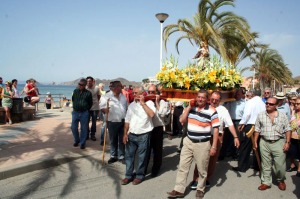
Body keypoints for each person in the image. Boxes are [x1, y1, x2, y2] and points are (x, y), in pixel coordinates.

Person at [167, 90, 219, 199]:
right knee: (183, 166)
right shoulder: (191, 108)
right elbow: (181, 120)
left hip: (203, 144)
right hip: (188, 141)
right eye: (198, 97)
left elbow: (215, 130)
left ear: (207, 99)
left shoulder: (212, 111)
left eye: (203, 98)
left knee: (202, 169)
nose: (200, 99)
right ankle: (179, 190)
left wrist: (214, 146)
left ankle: (200, 189)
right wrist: (189, 108)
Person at [190, 91, 240, 189]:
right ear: (209, 98)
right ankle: (196, 179)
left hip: (217, 137)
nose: (214, 101)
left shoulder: (223, 110)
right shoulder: (204, 107)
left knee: (212, 159)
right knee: (201, 159)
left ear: (220, 101)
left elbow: (230, 124)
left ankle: (206, 178)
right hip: (204, 136)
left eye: (216, 100)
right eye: (212, 99)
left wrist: (235, 137)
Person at [254, 97, 291, 191]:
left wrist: (287, 142)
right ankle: (266, 182)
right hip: (264, 142)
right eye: (267, 103)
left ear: (276, 105)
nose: (268, 105)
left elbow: (288, 129)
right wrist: (255, 141)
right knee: (265, 164)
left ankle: (281, 180)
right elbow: (257, 129)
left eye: (271, 104)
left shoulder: (282, 115)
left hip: (278, 142)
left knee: (280, 165)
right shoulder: (261, 115)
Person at [121, 86, 156, 185]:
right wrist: (125, 134)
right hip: (131, 134)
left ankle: (139, 176)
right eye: (133, 93)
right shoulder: (131, 105)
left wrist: (143, 103)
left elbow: (152, 114)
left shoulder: (149, 103)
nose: (134, 95)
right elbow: (127, 120)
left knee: (142, 157)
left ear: (142, 93)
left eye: (136, 93)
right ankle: (128, 176)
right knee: (129, 156)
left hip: (144, 135)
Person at [232, 89, 265, 172]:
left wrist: (242, 123)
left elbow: (247, 114)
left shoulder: (250, 102)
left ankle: (242, 166)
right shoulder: (263, 103)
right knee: (257, 146)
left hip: (250, 125)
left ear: (253, 94)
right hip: (260, 126)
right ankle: (257, 165)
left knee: (245, 146)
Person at [100, 80, 128, 164]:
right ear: (116, 87)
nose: (122, 88)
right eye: (120, 86)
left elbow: (126, 107)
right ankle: (113, 156)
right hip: (112, 121)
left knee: (122, 140)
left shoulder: (123, 97)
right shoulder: (106, 97)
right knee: (113, 140)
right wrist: (105, 110)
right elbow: (101, 107)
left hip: (122, 121)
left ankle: (121, 156)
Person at [145, 84, 170, 177]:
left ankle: (155, 169)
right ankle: (143, 169)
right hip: (147, 128)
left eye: (153, 92)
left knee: (157, 151)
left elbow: (163, 114)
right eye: (149, 92)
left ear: (157, 93)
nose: (151, 94)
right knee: (146, 150)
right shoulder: (146, 101)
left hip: (157, 128)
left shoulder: (163, 102)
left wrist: (157, 102)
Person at [220, 88, 245, 160]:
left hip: (238, 122)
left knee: (236, 138)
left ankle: (235, 154)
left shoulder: (244, 103)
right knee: (226, 138)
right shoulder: (230, 102)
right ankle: (223, 154)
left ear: (242, 95)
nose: (236, 95)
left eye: (238, 94)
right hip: (229, 121)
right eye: (235, 94)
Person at [71, 79, 93, 149]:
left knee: (84, 129)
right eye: (79, 84)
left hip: (84, 113)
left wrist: (86, 109)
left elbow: (90, 103)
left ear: (85, 85)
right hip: (75, 112)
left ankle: (82, 143)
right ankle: (77, 140)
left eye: (81, 85)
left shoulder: (88, 93)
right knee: (73, 127)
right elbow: (73, 99)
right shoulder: (75, 91)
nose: (79, 86)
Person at [287, 96, 300, 177]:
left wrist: (293, 117)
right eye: (295, 104)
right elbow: (291, 125)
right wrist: (292, 113)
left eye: (298, 104)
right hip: (293, 136)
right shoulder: (294, 112)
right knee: (291, 152)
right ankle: (292, 165)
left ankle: (299, 169)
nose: (296, 105)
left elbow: (294, 124)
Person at [86, 76, 100, 141]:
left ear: (92, 81)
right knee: (86, 122)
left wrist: (96, 102)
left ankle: (93, 135)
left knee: (94, 122)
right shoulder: (85, 88)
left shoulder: (97, 88)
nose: (89, 82)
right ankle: (86, 134)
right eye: (87, 81)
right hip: (87, 108)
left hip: (95, 107)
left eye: (90, 81)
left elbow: (99, 96)